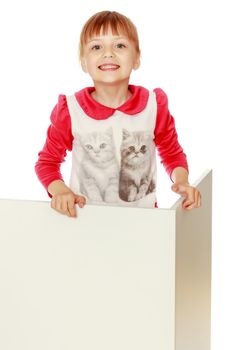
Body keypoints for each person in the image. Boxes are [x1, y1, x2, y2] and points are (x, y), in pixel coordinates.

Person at [35, 10, 201, 218]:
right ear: (84, 62)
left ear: (137, 58)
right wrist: (60, 192)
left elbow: (171, 152)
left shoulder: (153, 105)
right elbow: (47, 162)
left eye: (119, 45)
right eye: (96, 47)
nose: (108, 53)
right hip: (85, 224)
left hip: (145, 224)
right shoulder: (70, 110)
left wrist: (182, 181)